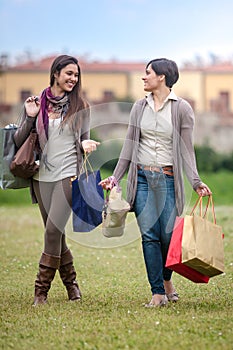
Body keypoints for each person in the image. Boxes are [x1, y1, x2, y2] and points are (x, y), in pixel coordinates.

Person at [100, 58, 212, 307]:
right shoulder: (139, 107)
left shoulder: (182, 109)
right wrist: (116, 177)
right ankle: (158, 292)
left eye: (148, 73)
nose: (144, 77)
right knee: (149, 236)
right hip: (141, 179)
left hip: (168, 179)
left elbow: (186, 149)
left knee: (167, 236)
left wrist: (195, 181)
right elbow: (129, 146)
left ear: (162, 77)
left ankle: (166, 281)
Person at [14, 55, 99, 306]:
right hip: (40, 176)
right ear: (56, 73)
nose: (73, 79)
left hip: (67, 174)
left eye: (76, 75)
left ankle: (41, 291)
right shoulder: (36, 103)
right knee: (56, 235)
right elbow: (18, 141)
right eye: (69, 74)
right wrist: (30, 117)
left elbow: (84, 139)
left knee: (53, 230)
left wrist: (85, 144)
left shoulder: (81, 105)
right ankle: (72, 285)